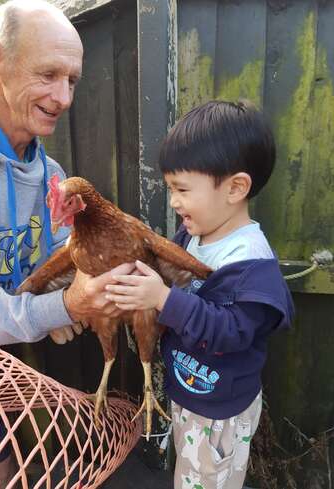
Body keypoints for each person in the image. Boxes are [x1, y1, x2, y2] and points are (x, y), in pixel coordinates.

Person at [0, 1, 133, 486]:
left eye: (73, 80)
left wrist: (57, 299)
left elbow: (66, 259)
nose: (63, 97)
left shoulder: (53, 177)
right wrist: (62, 307)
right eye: (48, 75)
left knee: (4, 452)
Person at [105, 100, 295, 489]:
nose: (173, 201)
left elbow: (231, 333)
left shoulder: (251, 265)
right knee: (192, 475)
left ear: (235, 188)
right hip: (194, 394)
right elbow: (165, 271)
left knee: (207, 481)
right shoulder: (194, 236)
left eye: (182, 189)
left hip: (219, 411)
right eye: (170, 188)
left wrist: (163, 300)